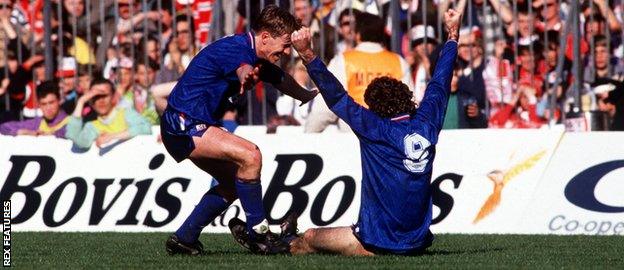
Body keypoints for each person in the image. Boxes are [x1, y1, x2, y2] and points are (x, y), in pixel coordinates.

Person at [231, 8, 462, 256]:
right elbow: (440, 80)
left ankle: (276, 243)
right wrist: (452, 35)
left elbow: (337, 97)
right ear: (407, 99)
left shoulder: (374, 127)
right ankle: (288, 233)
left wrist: (308, 54)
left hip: (377, 243)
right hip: (417, 241)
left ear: (376, 109)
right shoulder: (428, 122)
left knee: (310, 238)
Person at [160, 5, 317, 256]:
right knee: (251, 155)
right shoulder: (238, 50)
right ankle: (259, 235)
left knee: (235, 183)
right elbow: (242, 68)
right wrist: (245, 76)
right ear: (265, 37)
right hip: (184, 123)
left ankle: (184, 238)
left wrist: (306, 95)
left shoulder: (255, 52)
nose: (287, 51)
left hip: (182, 124)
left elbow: (280, 78)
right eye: (285, 44)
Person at [65, 78, 151, 149]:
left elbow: (146, 127)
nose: (101, 101)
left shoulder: (125, 113)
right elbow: (77, 140)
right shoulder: (93, 126)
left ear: (113, 97)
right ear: (90, 100)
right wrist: (81, 101)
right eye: (96, 97)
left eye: (104, 96)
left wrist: (112, 137)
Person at [0, 81, 69, 138]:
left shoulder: (71, 123)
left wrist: (52, 135)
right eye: (43, 104)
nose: (48, 108)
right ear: (39, 104)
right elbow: (3, 127)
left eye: (51, 103)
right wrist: (21, 132)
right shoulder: (37, 123)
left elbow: (70, 133)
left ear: (59, 101)